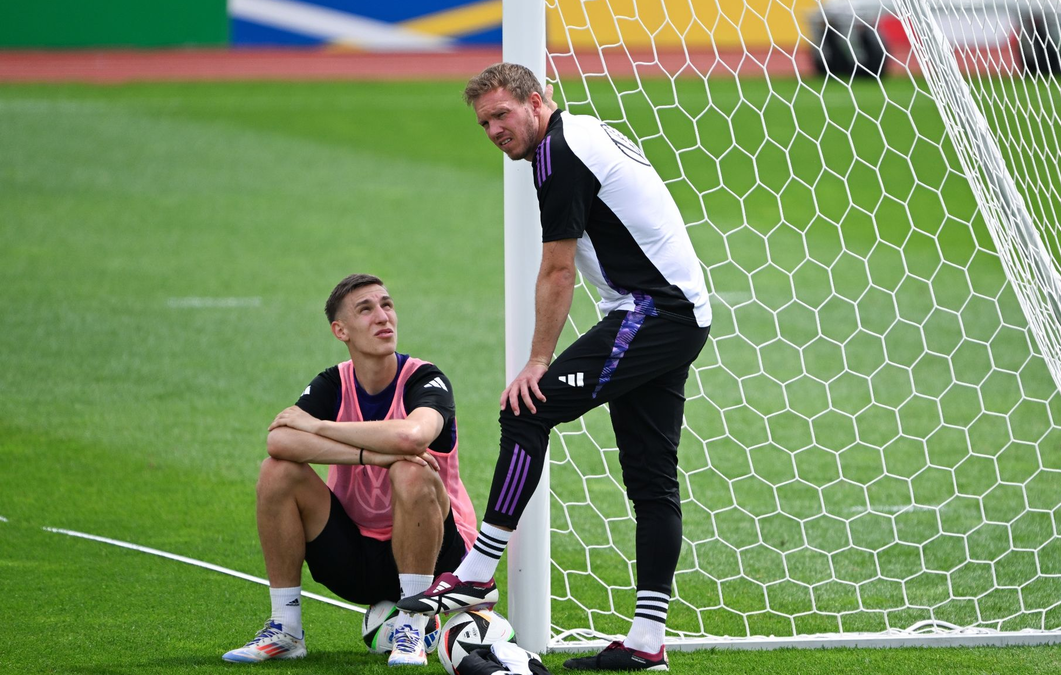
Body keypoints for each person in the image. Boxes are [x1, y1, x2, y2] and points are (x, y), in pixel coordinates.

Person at [398, 63, 711, 672]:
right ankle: (647, 641)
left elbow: (558, 270)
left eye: (502, 115)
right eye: (484, 122)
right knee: (651, 481)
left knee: (526, 408)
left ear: (537, 102)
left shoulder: (558, 155)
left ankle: (476, 572)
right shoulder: (581, 133)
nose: (494, 130)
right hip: (673, 314)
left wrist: (537, 360)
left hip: (654, 312)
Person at [223, 273, 478, 667]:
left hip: (439, 559)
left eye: (387, 305)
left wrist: (320, 427)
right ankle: (286, 628)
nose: (383, 317)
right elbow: (279, 441)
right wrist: (371, 456)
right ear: (340, 330)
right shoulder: (333, 383)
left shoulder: (426, 380)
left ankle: (413, 623)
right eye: (366, 309)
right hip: (355, 557)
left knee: (410, 469)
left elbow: (412, 436)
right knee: (276, 471)